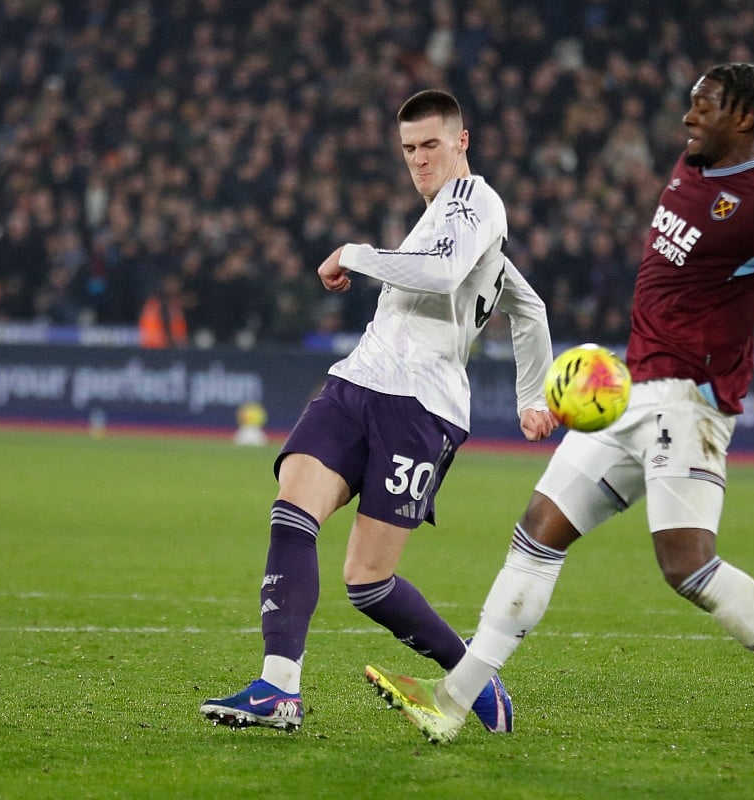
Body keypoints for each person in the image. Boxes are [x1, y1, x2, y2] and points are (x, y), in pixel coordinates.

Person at [364, 64, 754, 768]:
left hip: (691, 403)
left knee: (688, 567)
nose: (688, 119)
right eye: (690, 104)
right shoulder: (689, 168)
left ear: (747, 123)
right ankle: (453, 703)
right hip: (631, 390)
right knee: (537, 533)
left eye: (705, 108)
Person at [199, 90, 557, 732]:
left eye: (431, 146)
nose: (419, 160)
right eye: (409, 149)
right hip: (359, 381)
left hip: (420, 407)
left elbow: (448, 275)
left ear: (462, 142)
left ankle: (475, 678)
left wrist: (355, 254)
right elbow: (527, 305)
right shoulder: (442, 218)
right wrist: (532, 395)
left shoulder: (477, 203)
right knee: (292, 508)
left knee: (367, 581)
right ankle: (279, 688)